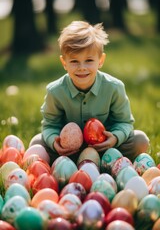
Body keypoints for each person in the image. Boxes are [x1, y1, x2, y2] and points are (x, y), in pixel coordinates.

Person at [29, 20, 150, 165]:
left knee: (140, 140)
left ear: (101, 60)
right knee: (36, 143)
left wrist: (115, 138)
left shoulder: (114, 87)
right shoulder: (55, 91)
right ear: (64, 63)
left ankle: (110, 164)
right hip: (68, 151)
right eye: (74, 61)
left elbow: (124, 122)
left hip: (106, 148)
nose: (82, 67)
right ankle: (67, 167)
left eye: (89, 60)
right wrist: (56, 144)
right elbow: (50, 125)